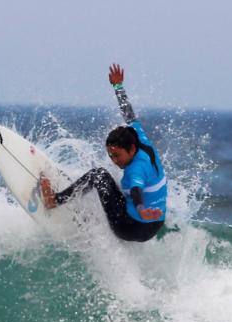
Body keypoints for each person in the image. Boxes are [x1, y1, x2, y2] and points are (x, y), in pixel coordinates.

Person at [41, 64, 167, 242]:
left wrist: (140, 209)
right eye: (111, 156)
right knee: (111, 184)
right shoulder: (141, 139)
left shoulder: (135, 170)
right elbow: (129, 115)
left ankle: (54, 200)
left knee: (98, 175)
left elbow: (137, 190)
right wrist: (118, 87)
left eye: (117, 155)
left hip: (131, 228)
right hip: (155, 225)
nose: (114, 161)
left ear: (131, 149)